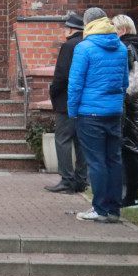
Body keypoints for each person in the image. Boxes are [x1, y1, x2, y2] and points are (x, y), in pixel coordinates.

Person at [68, 7, 129, 224]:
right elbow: (124, 82)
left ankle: (100, 208)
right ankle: (114, 208)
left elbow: (75, 84)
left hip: (90, 112)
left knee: (96, 162)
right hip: (114, 111)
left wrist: (72, 111)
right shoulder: (121, 47)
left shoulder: (84, 48)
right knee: (113, 159)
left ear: (87, 24)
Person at [45, 13, 88, 194]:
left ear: (70, 29)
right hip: (84, 101)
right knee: (80, 142)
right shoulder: (87, 45)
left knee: (62, 140)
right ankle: (81, 180)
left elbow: (61, 74)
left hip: (66, 101)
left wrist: (53, 91)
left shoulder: (69, 46)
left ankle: (67, 179)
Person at [111, 14, 138, 210]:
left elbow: (124, 76)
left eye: (114, 28)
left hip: (129, 103)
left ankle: (132, 197)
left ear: (123, 30)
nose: (111, 32)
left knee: (129, 148)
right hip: (136, 101)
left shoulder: (126, 48)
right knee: (131, 147)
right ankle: (131, 195)